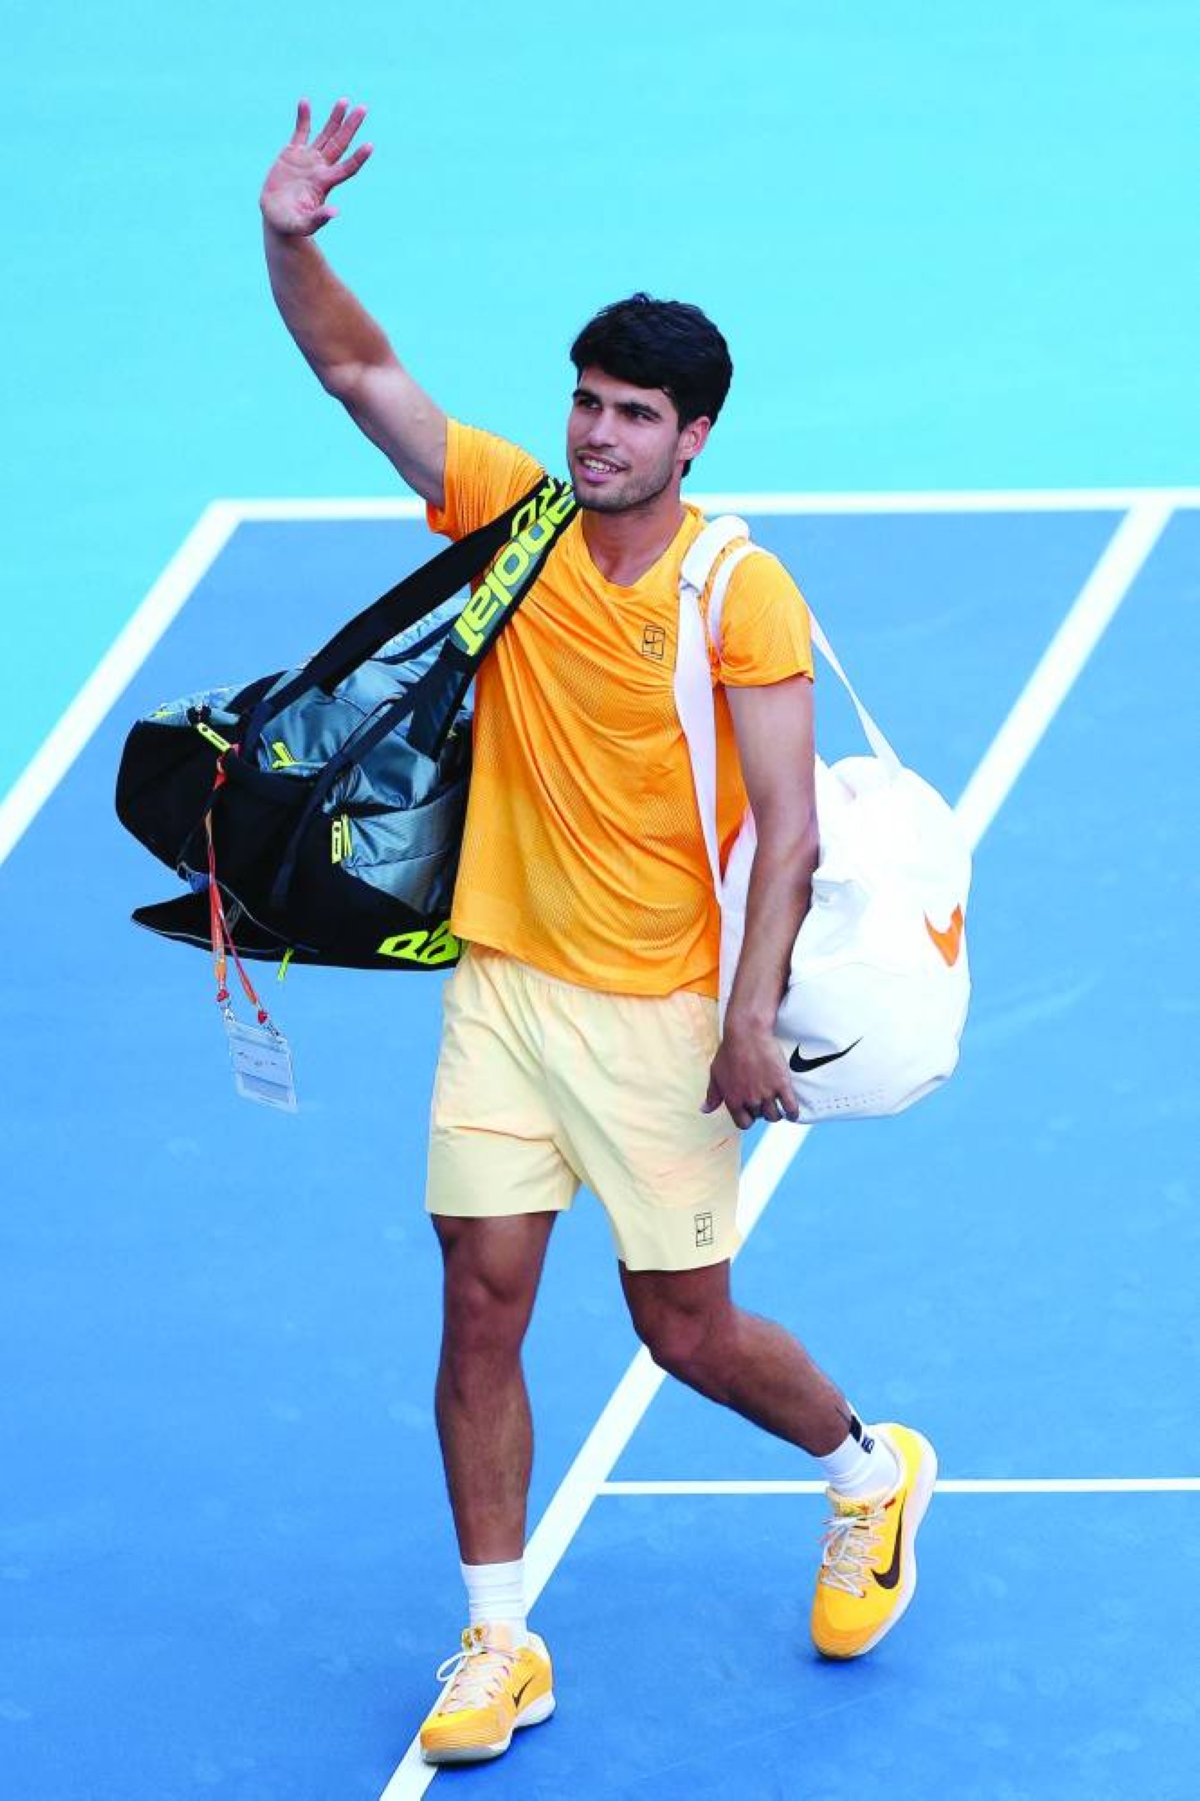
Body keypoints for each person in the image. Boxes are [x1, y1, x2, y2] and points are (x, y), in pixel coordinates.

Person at [260, 97, 937, 1767]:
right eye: (587, 401)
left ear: (696, 434)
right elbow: (364, 379)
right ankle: (500, 1637)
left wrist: (749, 1013)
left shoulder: (735, 591)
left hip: (663, 1013)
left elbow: (787, 826)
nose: (599, 434)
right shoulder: (516, 519)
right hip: (503, 987)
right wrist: (292, 239)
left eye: (636, 414)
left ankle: (869, 1468)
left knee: (682, 1327)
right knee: (478, 1301)